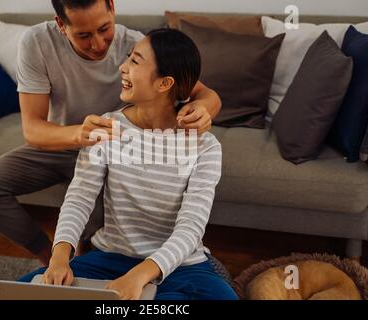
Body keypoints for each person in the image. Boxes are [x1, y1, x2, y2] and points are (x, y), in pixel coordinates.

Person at [0, 0, 221, 266]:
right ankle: (48, 254)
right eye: (84, 35)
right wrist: (79, 134)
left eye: (104, 29)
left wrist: (203, 108)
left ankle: (87, 262)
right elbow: (32, 129)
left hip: (110, 152)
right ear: (61, 25)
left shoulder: (135, 46)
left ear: (112, 7)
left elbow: (200, 90)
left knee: (100, 236)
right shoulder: (37, 43)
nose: (98, 44)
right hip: (62, 142)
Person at [19, 28, 237, 300]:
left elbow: (191, 226)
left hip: (180, 266)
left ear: (164, 84)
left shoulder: (205, 147)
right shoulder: (106, 128)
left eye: (134, 61)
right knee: (23, 291)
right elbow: (79, 198)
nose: (122, 67)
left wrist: (140, 276)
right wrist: (60, 257)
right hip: (111, 258)